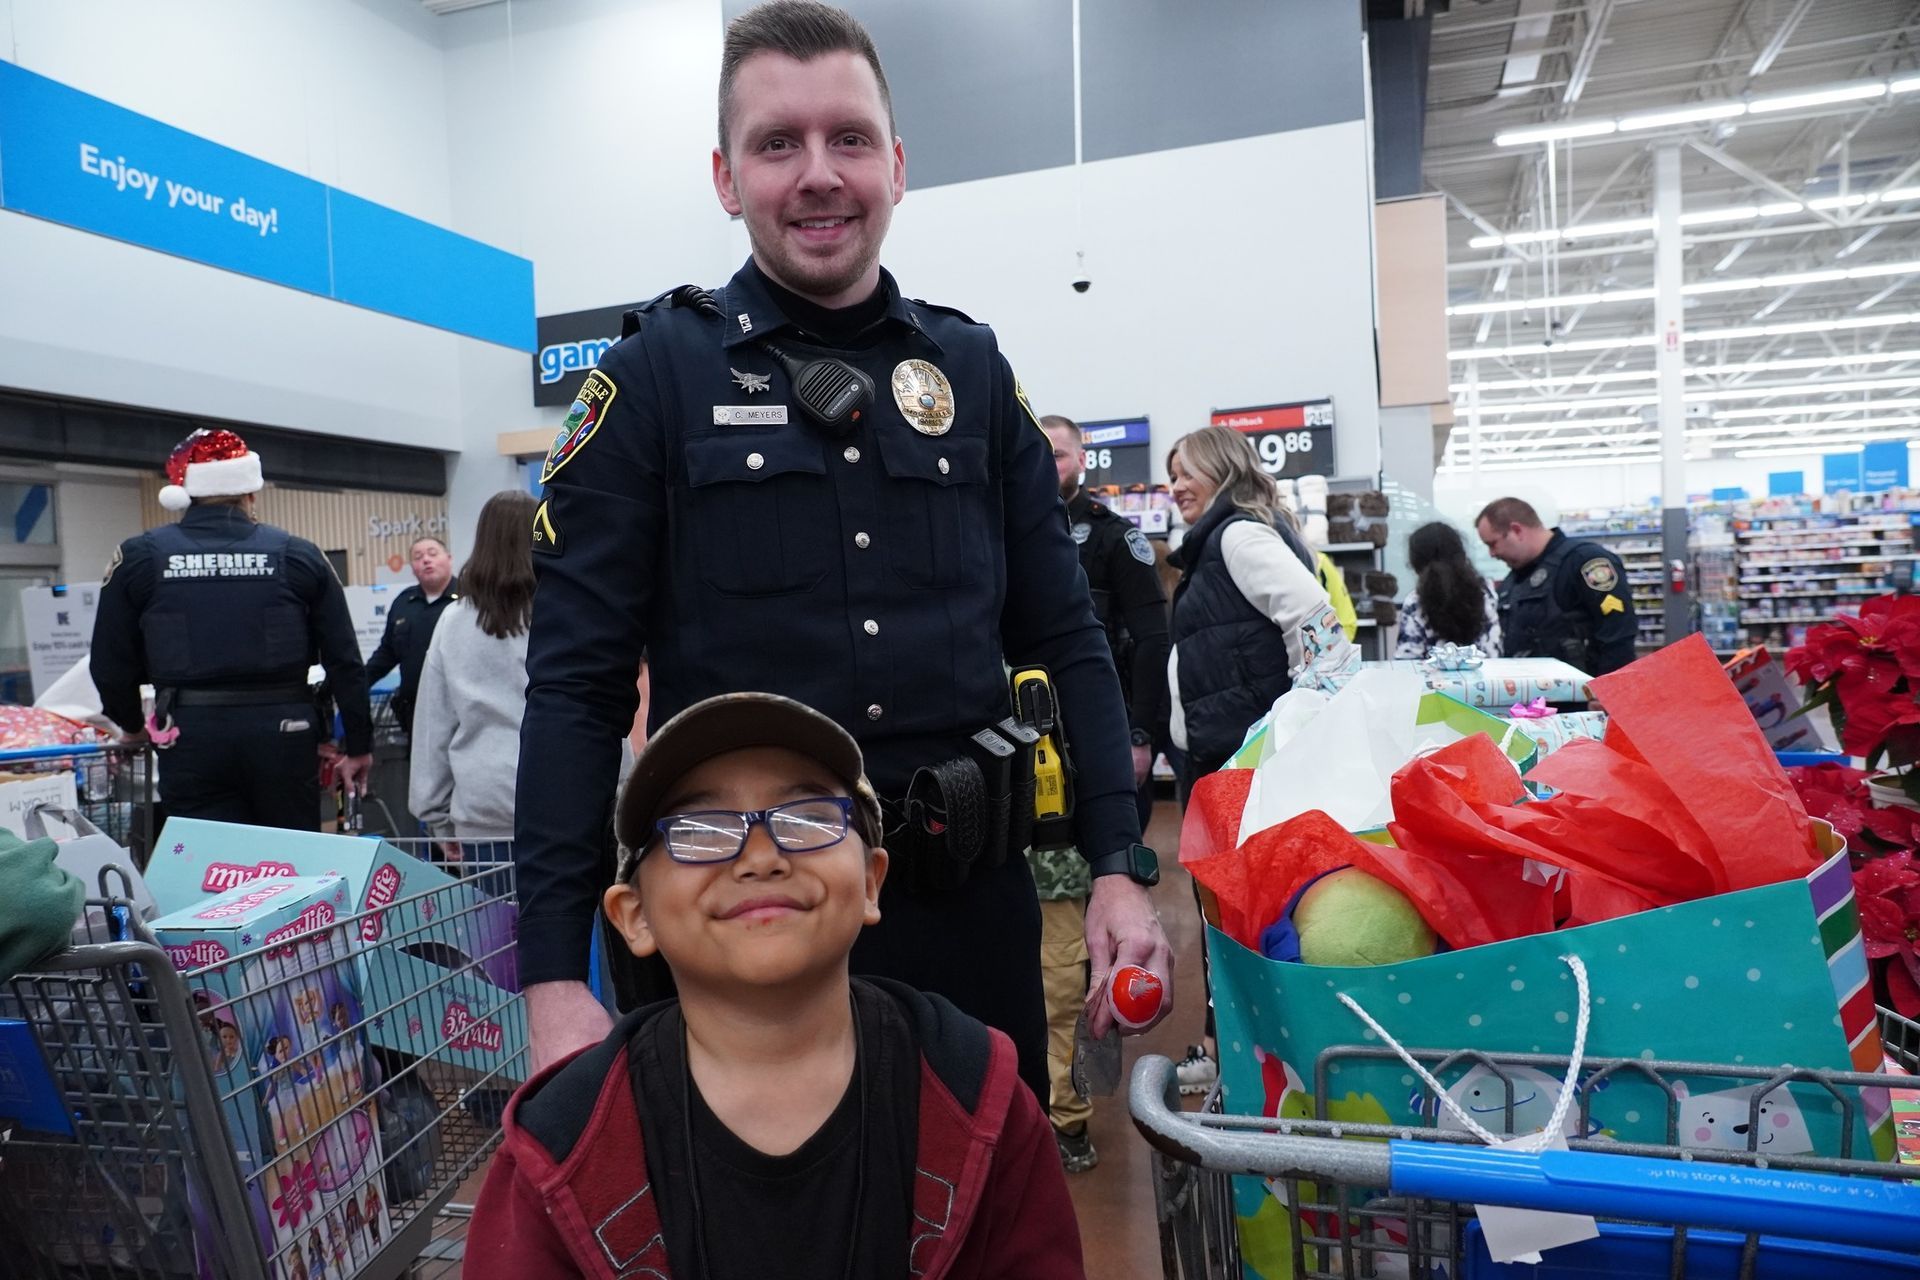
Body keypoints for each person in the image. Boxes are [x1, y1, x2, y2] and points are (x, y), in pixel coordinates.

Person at [514, 0, 1171, 1090]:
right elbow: (575, 689)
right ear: (728, 178)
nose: (818, 173)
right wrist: (550, 975)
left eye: (849, 139)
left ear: (897, 165)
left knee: (979, 1233)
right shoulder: (647, 383)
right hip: (743, 929)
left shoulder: (971, 373)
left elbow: (1066, 634)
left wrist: (1117, 864)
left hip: (968, 921)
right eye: (778, 143)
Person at [469, 692, 1085, 1279]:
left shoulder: (980, 1098)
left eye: (807, 816)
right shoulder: (561, 1150)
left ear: (872, 882)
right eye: (700, 829)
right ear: (636, 915)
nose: (760, 856)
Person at [1165, 425, 1348, 1098]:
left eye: (1184, 471)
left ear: (1219, 470)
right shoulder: (1216, 544)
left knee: (1237, 912)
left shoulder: (1237, 538)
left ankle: (1243, 1059)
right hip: (1220, 756)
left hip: (1242, 763)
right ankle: (1239, 1051)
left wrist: (1298, 721)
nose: (1174, 486)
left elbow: (1316, 620)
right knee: (1233, 911)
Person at [90, 429, 372, 828]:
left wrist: (133, 727)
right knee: (291, 864)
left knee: (209, 865)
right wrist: (358, 744)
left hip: (189, 736)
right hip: (285, 733)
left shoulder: (140, 558)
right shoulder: (297, 554)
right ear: (250, 493)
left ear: (186, 493)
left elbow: (109, 661)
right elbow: (345, 660)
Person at [1033, 413, 1169, 1171]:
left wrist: (1139, 733)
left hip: (1085, 761)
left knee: (1065, 959)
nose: (1048, 465)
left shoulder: (1113, 538)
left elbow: (1148, 638)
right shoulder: (993, 529)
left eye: (1059, 452)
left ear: (1083, 458)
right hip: (999, 777)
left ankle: (1068, 1112)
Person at [409, 491, 538, 857]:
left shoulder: (453, 622)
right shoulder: (568, 615)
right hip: (567, 803)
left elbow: (434, 723)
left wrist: (434, 813)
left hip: (483, 810)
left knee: (493, 915)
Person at [1474, 497, 1635, 675]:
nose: (1492, 554)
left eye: (1493, 544)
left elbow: (1618, 633)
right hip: (1534, 695)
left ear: (1516, 530)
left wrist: (1610, 690)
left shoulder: (1585, 562)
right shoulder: (1513, 580)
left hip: (1581, 696)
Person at [364, 535, 458, 736]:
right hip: (415, 715)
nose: (425, 560)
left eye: (433, 553)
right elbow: (387, 653)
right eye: (418, 557)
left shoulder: (470, 597)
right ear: (412, 567)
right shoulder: (403, 603)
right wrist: (356, 684)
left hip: (459, 712)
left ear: (449, 558)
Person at [1393, 521, 1502, 659]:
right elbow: (1494, 649)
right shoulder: (1486, 591)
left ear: (1416, 563)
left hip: (1434, 680)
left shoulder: (1415, 602)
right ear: (1461, 554)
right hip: (1486, 677)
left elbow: (1406, 660)